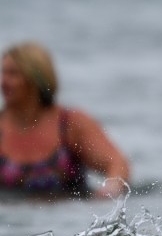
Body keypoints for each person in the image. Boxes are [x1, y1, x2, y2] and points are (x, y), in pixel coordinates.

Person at [0, 42, 130, 199]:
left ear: (36, 78)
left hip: (68, 215)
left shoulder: (70, 123)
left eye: (13, 74)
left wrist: (109, 191)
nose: (3, 82)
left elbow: (116, 164)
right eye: (3, 73)